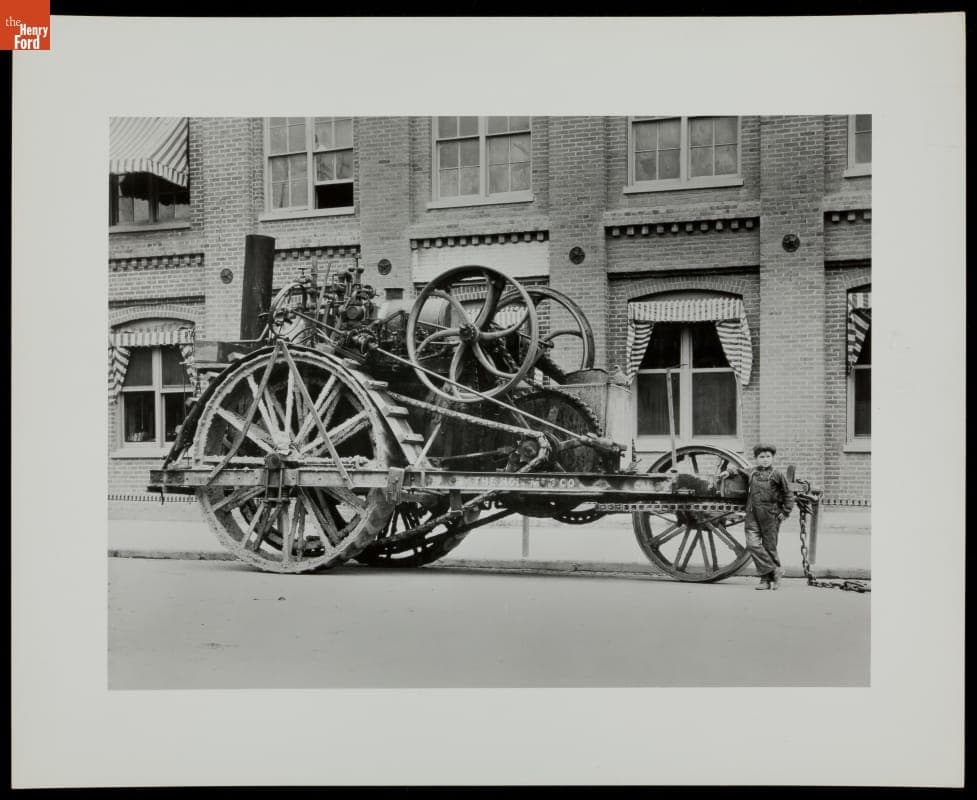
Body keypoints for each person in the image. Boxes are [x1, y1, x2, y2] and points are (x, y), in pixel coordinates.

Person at [720, 445, 795, 590]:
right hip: (752, 514)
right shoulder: (752, 472)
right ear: (756, 459)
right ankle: (775, 570)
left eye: (768, 457)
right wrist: (727, 472)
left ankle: (766, 581)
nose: (765, 460)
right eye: (761, 457)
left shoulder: (777, 474)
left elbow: (788, 494)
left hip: (771, 515)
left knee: (769, 547)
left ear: (772, 458)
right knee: (752, 544)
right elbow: (738, 471)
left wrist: (785, 511)